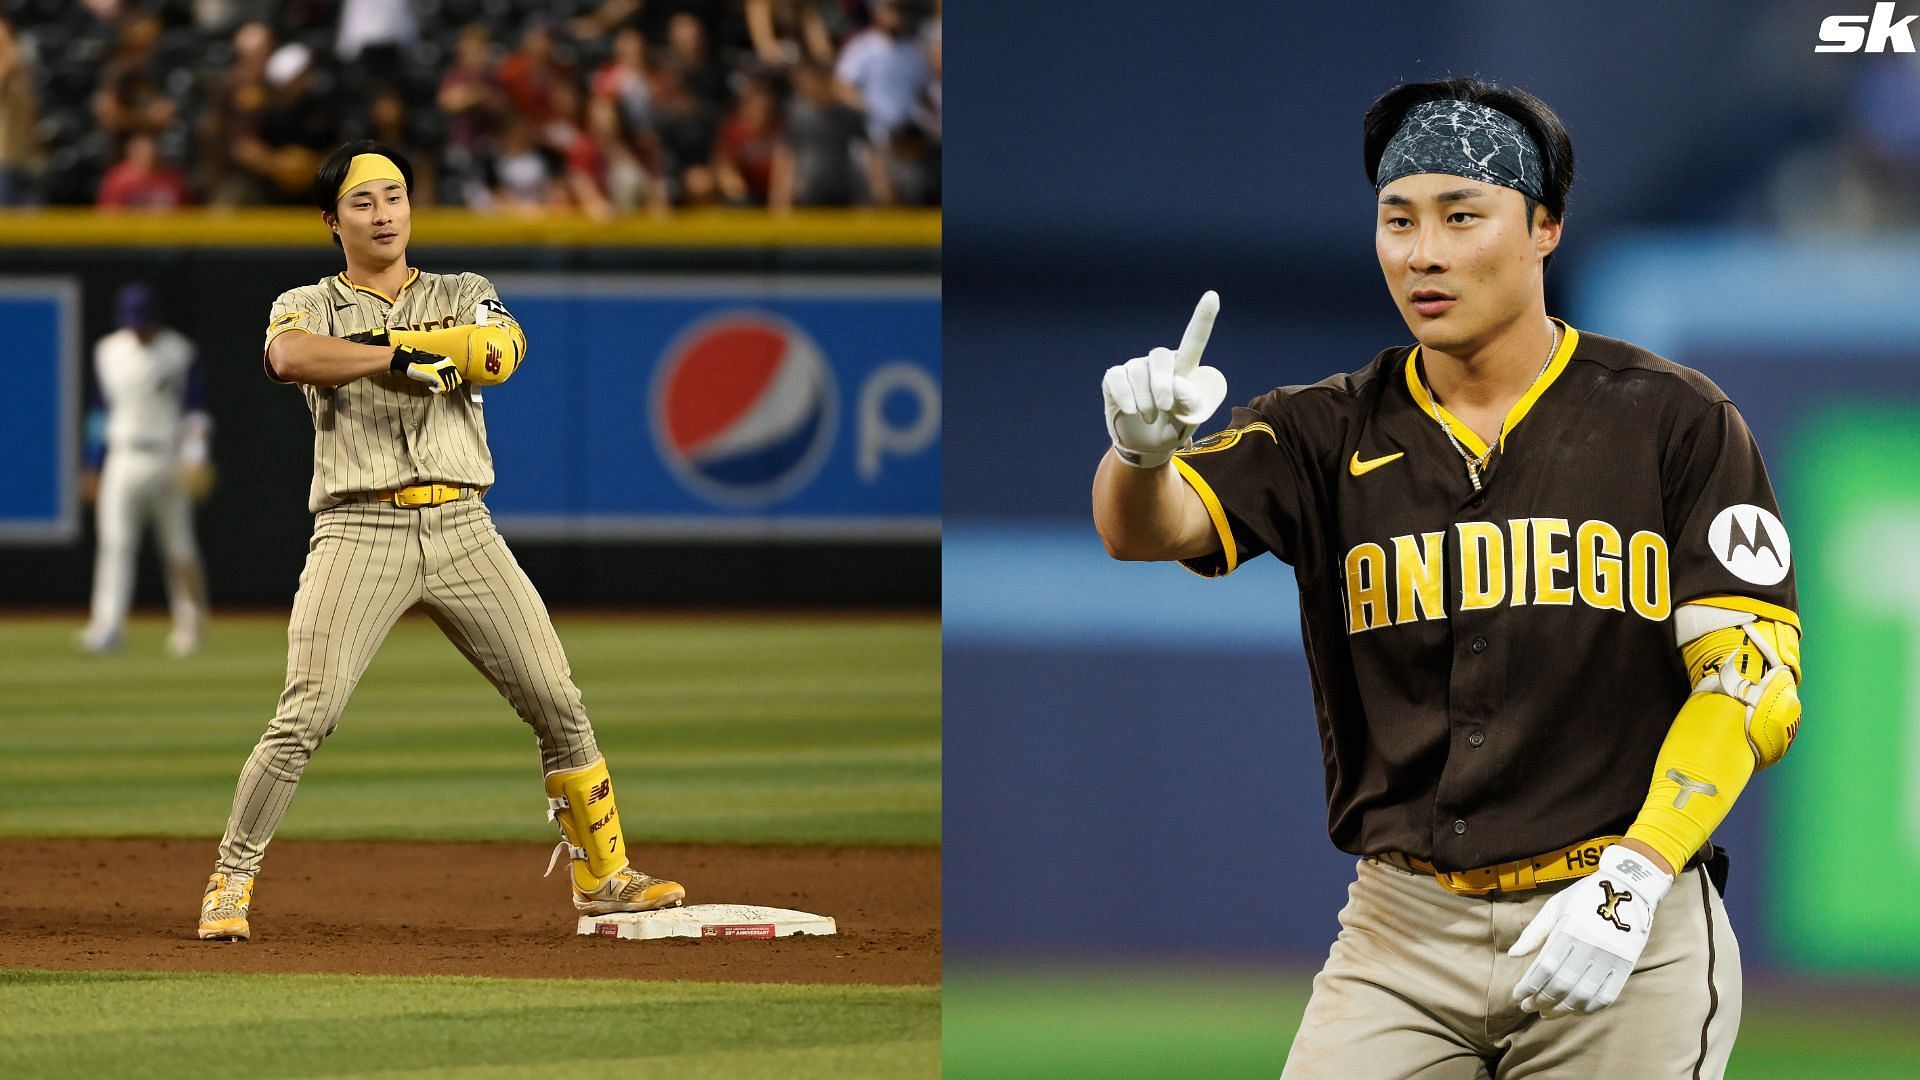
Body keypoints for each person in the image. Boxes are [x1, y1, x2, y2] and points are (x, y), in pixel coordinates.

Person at [1092, 78, 1801, 1078]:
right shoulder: (1326, 427)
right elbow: (1145, 531)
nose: (1422, 252)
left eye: (1461, 216)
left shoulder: (1675, 421)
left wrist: (1636, 874)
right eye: (1398, 219)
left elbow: (1750, 682)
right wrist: (1140, 455)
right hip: (1400, 931)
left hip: (1624, 913)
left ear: (1545, 226)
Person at [197, 140, 685, 942]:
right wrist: (400, 355)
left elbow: (499, 353)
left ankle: (604, 877)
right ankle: (231, 877)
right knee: (307, 713)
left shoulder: (464, 289)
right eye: (363, 201)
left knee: (558, 703)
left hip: (463, 527)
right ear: (332, 219)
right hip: (360, 528)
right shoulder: (310, 300)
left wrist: (432, 355)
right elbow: (288, 357)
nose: (383, 212)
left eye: (394, 196)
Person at [80, 284, 212, 657]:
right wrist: (92, 465)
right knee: (115, 544)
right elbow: (98, 412)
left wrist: (196, 454)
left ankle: (190, 623)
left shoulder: (179, 352)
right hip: (122, 456)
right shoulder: (108, 352)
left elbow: (195, 410)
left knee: (179, 546)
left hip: (168, 457)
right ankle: (107, 626)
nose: (137, 330)